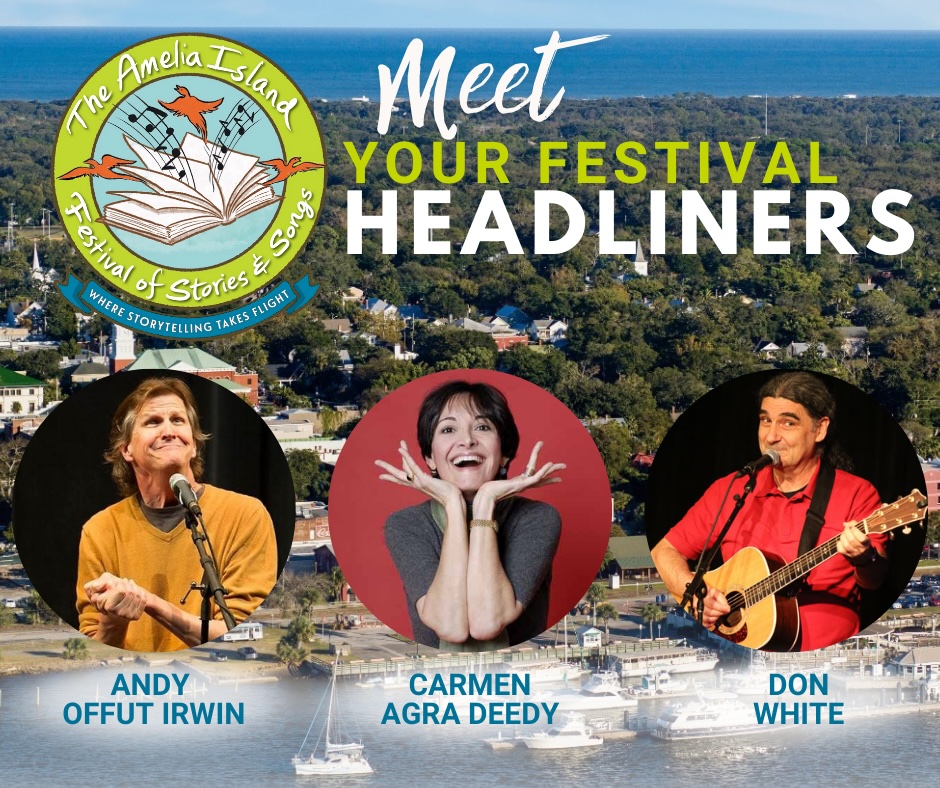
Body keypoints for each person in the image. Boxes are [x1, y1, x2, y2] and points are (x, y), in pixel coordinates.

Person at [650, 371, 888, 651]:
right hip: (739, 650)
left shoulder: (856, 494)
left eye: (788, 423)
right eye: (765, 421)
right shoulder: (732, 488)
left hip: (827, 653)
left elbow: (875, 580)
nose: (771, 436)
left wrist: (864, 556)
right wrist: (697, 595)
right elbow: (664, 552)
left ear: (820, 429)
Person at [76, 376, 277, 651]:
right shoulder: (99, 530)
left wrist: (148, 602)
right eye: (153, 422)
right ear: (127, 450)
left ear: (193, 444)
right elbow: (92, 650)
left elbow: (239, 631)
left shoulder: (246, 515)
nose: (169, 431)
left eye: (178, 420)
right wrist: (113, 620)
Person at [377, 381, 564, 650]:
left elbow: (486, 622)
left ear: (504, 454)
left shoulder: (537, 518)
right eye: (448, 429)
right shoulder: (406, 525)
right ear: (430, 457)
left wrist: (486, 500)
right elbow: (450, 626)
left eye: (483, 427)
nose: (467, 440)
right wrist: (453, 504)